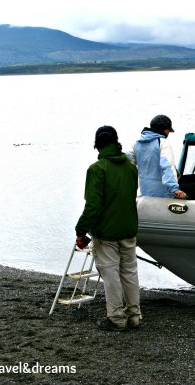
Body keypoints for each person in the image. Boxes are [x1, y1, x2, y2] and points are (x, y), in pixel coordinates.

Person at [75, 125, 141, 331]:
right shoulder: (131, 168)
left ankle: (116, 318)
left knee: (110, 273)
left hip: (106, 232)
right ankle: (134, 316)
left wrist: (81, 230)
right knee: (129, 272)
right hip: (128, 228)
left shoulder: (97, 169)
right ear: (116, 142)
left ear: (98, 145)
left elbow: (93, 205)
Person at [132, 114, 187, 199]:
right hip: (162, 194)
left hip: (145, 193)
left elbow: (129, 159)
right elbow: (168, 166)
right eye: (169, 130)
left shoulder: (137, 144)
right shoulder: (162, 142)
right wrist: (175, 188)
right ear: (165, 130)